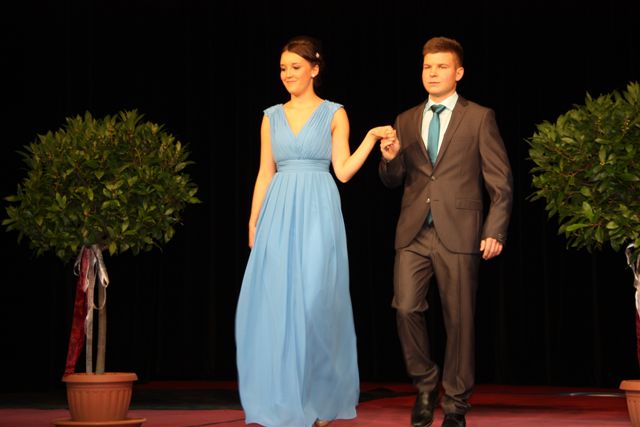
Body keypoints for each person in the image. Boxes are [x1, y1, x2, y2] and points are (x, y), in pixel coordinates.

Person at [235, 35, 394, 427]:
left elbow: (343, 171)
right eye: (283, 68)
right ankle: (286, 400)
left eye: (295, 67)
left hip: (319, 211)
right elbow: (265, 172)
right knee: (278, 307)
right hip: (278, 211)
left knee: (316, 305)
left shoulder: (334, 113)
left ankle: (322, 400)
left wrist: (370, 139)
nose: (288, 74)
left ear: (315, 69)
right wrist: (254, 220)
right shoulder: (271, 116)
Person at [378, 36, 513, 427]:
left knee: (459, 322)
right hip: (414, 232)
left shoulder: (479, 117)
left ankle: (455, 405)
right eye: (427, 67)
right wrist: (389, 160)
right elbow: (393, 179)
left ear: (459, 72)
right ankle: (425, 383)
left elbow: (501, 181)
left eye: (441, 67)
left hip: (460, 231)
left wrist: (495, 229)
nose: (432, 73)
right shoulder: (406, 119)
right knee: (405, 307)